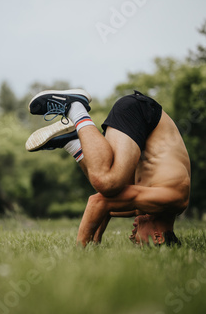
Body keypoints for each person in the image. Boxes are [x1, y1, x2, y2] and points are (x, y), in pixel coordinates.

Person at [26, 89, 190, 246]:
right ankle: (75, 107)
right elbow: (98, 202)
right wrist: (80, 252)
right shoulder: (172, 198)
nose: (132, 238)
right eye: (141, 243)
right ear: (158, 237)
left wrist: (94, 244)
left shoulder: (156, 207)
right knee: (106, 181)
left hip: (140, 127)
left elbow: (107, 208)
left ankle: (74, 141)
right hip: (141, 113)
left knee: (112, 186)